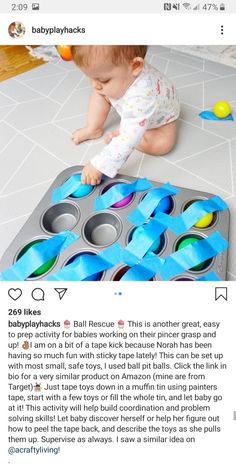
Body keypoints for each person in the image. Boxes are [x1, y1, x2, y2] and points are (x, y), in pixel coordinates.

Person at [71, 46, 180, 185]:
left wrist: (99, 165)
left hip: (160, 120)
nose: (94, 84)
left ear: (136, 65)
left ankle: (133, 135)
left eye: (103, 80)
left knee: (163, 145)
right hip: (131, 106)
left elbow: (129, 136)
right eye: (91, 78)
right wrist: (103, 84)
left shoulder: (142, 96)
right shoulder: (122, 70)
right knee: (100, 92)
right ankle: (93, 128)